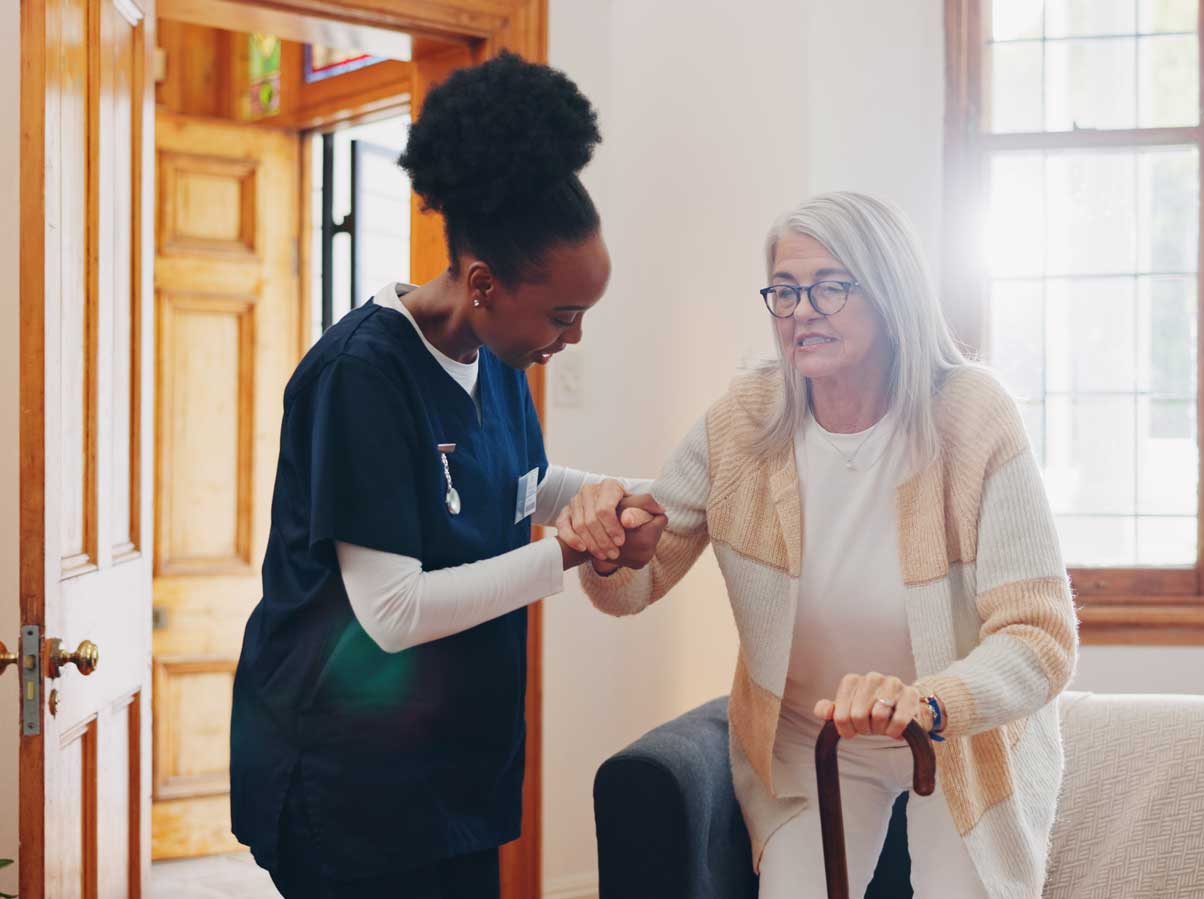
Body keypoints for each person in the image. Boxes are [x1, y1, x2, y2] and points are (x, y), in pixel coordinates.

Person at [229, 52, 665, 899]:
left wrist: (611, 497)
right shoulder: (361, 376)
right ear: (482, 283)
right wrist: (570, 555)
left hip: (454, 763)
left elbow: (520, 482)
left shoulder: (498, 354)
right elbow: (391, 612)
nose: (570, 338)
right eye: (563, 315)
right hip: (348, 778)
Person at [559, 191, 1078, 898]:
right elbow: (635, 581)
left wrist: (928, 704)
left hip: (952, 730)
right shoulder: (745, 421)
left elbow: (1040, 637)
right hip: (810, 735)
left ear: (892, 294)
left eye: (831, 287)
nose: (802, 310)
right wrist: (609, 545)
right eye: (785, 290)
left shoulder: (974, 417)